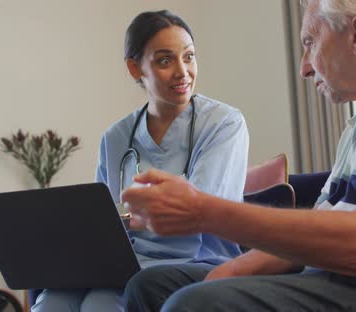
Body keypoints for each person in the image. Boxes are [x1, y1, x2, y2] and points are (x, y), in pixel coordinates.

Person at [121, 0, 356, 311]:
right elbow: (321, 230)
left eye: (310, 42)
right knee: (151, 286)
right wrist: (230, 270)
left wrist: (204, 212)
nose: (304, 66)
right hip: (344, 276)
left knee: (192, 306)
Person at [31, 10, 249, 312]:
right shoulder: (116, 137)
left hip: (196, 260)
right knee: (50, 301)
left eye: (188, 57)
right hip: (127, 264)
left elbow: (200, 207)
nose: (182, 72)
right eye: (164, 60)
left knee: (100, 305)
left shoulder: (223, 124)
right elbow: (101, 223)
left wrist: (124, 213)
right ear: (135, 69)